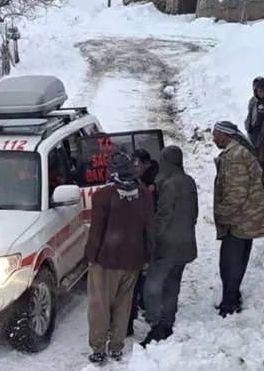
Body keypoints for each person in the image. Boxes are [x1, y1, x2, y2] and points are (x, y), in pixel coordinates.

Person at [85, 152, 154, 366]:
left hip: (106, 260)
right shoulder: (144, 194)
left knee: (100, 306)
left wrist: (91, 256)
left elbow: (96, 231)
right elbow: (149, 228)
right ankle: (116, 347)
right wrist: (148, 255)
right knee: (123, 305)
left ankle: (98, 349)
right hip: (133, 259)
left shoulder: (103, 196)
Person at [212, 122, 264, 317]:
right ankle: (233, 296)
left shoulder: (234, 157)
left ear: (225, 136)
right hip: (247, 217)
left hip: (239, 220)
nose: (213, 139)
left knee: (230, 263)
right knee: (239, 259)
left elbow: (236, 193)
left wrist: (222, 214)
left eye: (216, 135)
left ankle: (229, 304)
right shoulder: (241, 151)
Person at [141, 146, 198, 346]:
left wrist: (151, 241)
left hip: (168, 246)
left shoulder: (169, 185)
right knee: (173, 284)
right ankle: (168, 321)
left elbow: (163, 217)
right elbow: (195, 213)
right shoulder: (189, 181)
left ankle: (156, 325)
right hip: (186, 245)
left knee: (153, 286)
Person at [128, 148, 159, 334]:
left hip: (149, 230)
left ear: (146, 164)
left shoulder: (156, 179)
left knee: (147, 271)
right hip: (139, 231)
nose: (134, 167)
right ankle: (141, 300)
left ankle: (147, 303)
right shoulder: (138, 178)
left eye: (137, 164)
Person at [244, 77, 264, 147]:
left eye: (263, 91)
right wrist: (247, 126)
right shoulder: (252, 101)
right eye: (259, 90)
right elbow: (250, 115)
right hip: (252, 131)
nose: (261, 93)